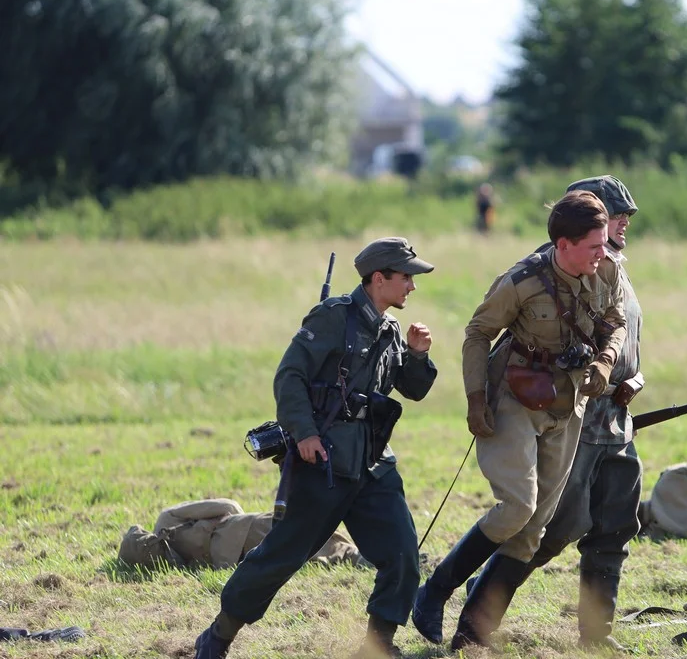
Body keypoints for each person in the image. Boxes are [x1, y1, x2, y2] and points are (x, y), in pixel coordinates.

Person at [194, 237, 439, 659]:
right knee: (282, 557)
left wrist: (417, 355)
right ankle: (219, 634)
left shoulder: (391, 328)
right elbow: (290, 376)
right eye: (406, 278)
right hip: (322, 462)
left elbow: (412, 389)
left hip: (373, 465)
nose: (412, 287)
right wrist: (304, 434)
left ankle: (378, 646)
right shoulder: (332, 319)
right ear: (379, 279)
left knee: (403, 555)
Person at [412, 190, 627, 650]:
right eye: (592, 246)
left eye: (603, 244)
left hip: (568, 402)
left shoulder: (607, 268)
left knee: (532, 532)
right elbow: (478, 333)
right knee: (517, 507)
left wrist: (606, 359)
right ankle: (435, 590)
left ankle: (470, 634)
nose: (602, 253)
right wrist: (475, 399)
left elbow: (616, 317)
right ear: (563, 244)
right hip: (513, 395)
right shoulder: (522, 280)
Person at [465, 175, 644, 651]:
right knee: (549, 530)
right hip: (571, 411)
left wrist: (626, 376)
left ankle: (596, 635)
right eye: (615, 212)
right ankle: (479, 609)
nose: (624, 220)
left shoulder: (613, 272)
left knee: (615, 525)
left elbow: (624, 339)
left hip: (616, 418)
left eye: (626, 214)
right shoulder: (553, 274)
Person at [118, 498, 373, 571]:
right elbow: (228, 507)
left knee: (298, 543)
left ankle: (356, 557)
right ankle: (361, 557)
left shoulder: (168, 548)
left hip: (236, 546)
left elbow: (224, 507)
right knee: (303, 535)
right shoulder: (167, 527)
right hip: (241, 535)